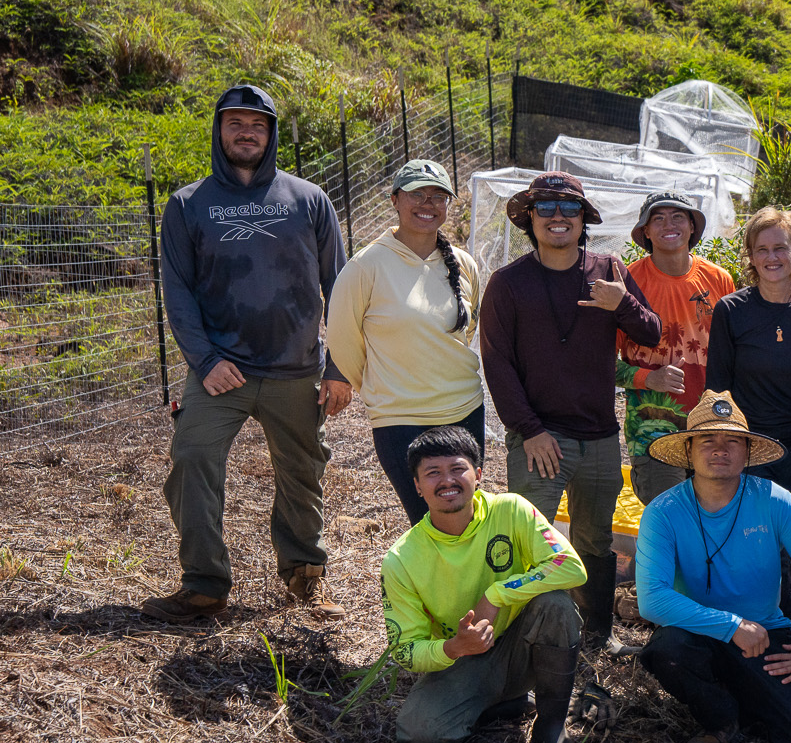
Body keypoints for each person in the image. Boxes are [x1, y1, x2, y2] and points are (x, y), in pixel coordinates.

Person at [144, 84, 352, 623]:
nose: (246, 132)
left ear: (271, 134)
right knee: (191, 458)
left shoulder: (309, 200)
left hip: (297, 368)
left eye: (257, 124)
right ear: (218, 130)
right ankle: (205, 583)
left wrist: (339, 366)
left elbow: (343, 286)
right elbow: (178, 290)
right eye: (235, 123)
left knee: (303, 473)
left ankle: (305, 575)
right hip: (221, 371)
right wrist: (206, 361)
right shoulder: (188, 204)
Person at [479, 171, 660, 656]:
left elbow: (651, 333)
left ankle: (596, 635)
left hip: (600, 437)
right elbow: (496, 362)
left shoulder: (610, 270)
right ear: (529, 219)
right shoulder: (508, 283)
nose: (558, 217)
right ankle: (528, 642)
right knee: (532, 544)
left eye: (569, 208)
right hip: (540, 438)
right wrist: (530, 430)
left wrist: (621, 304)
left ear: (584, 220)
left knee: (595, 541)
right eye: (546, 208)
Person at [635, 392, 791, 743]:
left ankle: (747, 699)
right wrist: (732, 625)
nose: (720, 449)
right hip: (697, 635)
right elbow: (652, 599)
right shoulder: (663, 512)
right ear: (688, 451)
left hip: (763, 636)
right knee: (666, 649)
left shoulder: (774, 500)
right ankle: (722, 718)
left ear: (747, 452)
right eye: (707, 440)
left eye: (732, 440)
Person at [382, 425, 587, 743]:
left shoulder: (511, 509)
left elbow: (571, 566)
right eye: (433, 473)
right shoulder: (402, 559)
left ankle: (551, 729)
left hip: (525, 648)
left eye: (457, 468)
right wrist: (454, 647)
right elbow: (405, 650)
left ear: (478, 474)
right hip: (463, 660)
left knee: (556, 605)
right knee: (421, 739)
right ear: (417, 486)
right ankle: (501, 701)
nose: (447, 481)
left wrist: (498, 594)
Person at [705, 206, 791, 648]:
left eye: (781, 247)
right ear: (751, 256)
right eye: (762, 249)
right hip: (752, 451)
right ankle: (768, 637)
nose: (772, 256)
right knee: (760, 551)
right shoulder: (732, 310)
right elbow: (718, 391)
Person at [327, 159, 485, 526]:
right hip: (401, 419)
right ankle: (425, 584)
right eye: (417, 194)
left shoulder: (463, 264)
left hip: (464, 411)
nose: (427, 204)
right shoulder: (365, 266)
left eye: (437, 196)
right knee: (428, 520)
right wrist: (385, 389)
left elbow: (466, 332)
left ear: (448, 205)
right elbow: (343, 341)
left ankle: (469, 586)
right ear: (395, 199)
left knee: (465, 518)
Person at [616, 192, 735, 504]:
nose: (669, 224)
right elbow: (598, 361)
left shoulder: (719, 280)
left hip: (713, 425)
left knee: (711, 520)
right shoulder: (628, 282)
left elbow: (734, 355)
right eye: (658, 218)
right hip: (652, 431)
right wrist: (647, 379)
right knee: (669, 518)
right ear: (645, 232)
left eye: (678, 216)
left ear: (692, 227)